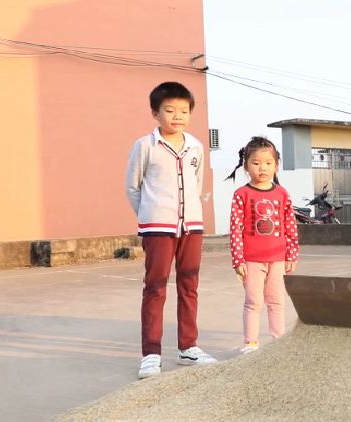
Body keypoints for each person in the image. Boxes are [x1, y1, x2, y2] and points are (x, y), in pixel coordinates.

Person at [125, 81, 217, 379]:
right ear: (155, 112)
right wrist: (149, 215)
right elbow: (132, 186)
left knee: (189, 286)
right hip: (157, 228)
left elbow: (197, 183)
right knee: (155, 287)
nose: (177, 116)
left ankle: (188, 346)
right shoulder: (145, 146)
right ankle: (151, 354)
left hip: (191, 226)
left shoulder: (196, 147)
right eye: (169, 110)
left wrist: (189, 212)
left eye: (183, 110)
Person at [228, 136, 299, 354]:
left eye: (268, 163)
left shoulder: (282, 193)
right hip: (251, 260)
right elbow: (235, 228)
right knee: (253, 301)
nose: (262, 168)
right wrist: (238, 260)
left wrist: (291, 255)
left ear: (276, 165)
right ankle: (251, 343)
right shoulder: (241, 194)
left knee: (277, 301)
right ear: (246, 166)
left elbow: (290, 225)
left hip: (278, 258)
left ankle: (278, 342)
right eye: (256, 163)